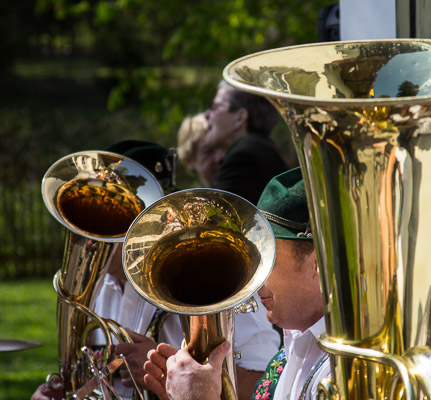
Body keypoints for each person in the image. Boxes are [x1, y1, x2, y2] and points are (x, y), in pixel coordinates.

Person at [32, 141, 280, 400]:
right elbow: (86, 375)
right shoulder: (92, 291)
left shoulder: (223, 282)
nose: (94, 233)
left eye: (119, 214)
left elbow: (265, 385)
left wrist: (170, 373)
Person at [143, 167, 329, 400]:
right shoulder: (296, 341)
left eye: (268, 261)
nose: (254, 281)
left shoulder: (344, 366)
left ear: (317, 264)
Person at [177, 80, 289, 204]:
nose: (207, 115)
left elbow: (214, 214)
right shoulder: (258, 148)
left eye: (215, 107)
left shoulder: (244, 158)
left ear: (240, 118)